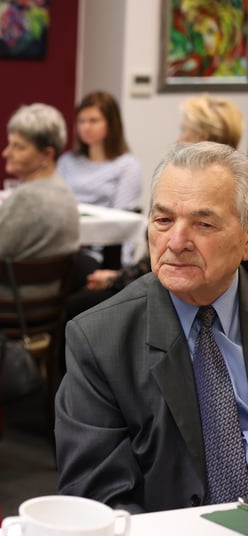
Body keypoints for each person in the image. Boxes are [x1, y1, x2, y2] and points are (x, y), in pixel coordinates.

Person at [55, 141, 248, 512]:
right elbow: (98, 497)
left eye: (203, 224)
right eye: (163, 221)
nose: (175, 242)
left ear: (245, 240)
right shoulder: (100, 340)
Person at [68, 94, 244, 320]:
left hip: (173, 290)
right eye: (164, 220)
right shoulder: (182, 181)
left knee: (76, 308)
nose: (179, 138)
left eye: (184, 131)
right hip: (156, 279)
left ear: (202, 137)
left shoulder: (229, 190)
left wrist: (115, 279)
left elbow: (167, 266)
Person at [0, 103, 79, 315]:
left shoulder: (26, 199)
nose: (6, 152)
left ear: (47, 155)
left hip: (0, 312)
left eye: (19, 147)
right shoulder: (66, 192)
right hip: (46, 309)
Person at [57, 90, 141, 211]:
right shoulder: (66, 161)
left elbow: (123, 216)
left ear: (111, 123)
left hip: (106, 228)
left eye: (94, 121)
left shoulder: (127, 165)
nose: (86, 127)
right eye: (81, 121)